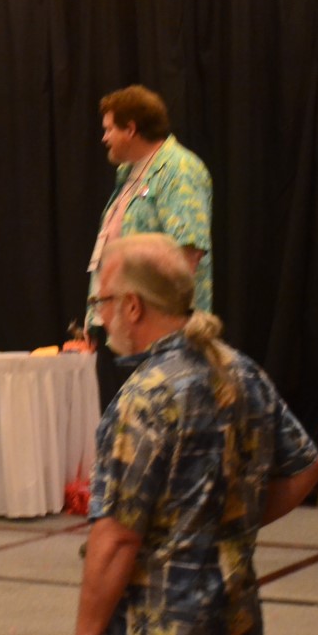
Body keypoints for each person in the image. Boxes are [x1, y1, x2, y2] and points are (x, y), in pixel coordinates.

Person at [68, 234, 318, 635]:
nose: (101, 317)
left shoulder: (144, 398)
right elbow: (306, 469)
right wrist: (226, 521)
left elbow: (117, 538)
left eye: (103, 302)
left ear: (133, 306)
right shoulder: (242, 372)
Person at [86, 85, 212, 408]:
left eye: (109, 129)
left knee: (157, 421)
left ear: (131, 128)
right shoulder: (128, 174)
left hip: (158, 336)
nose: (104, 138)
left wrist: (166, 327)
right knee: (123, 424)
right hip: (121, 329)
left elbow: (186, 255)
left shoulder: (178, 169)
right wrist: (95, 315)